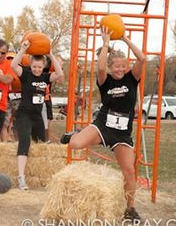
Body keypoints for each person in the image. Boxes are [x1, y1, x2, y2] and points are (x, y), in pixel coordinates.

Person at [60, 26, 145, 221]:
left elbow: (142, 59)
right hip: (103, 126)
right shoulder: (104, 80)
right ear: (110, 67)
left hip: (122, 133)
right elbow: (99, 67)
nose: (120, 69)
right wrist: (106, 44)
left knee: (129, 171)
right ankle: (76, 134)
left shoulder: (132, 79)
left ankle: (130, 209)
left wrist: (124, 38)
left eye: (123, 66)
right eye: (116, 66)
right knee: (74, 145)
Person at [10, 40, 63, 190]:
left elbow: (59, 73)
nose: (37, 69)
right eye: (34, 66)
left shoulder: (46, 77)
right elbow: (13, 65)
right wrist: (22, 50)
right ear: (30, 64)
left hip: (37, 116)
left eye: (40, 67)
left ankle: (44, 175)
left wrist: (51, 54)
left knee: (42, 143)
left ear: (43, 66)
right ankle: (21, 177)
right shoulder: (26, 74)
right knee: (25, 142)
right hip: (24, 115)